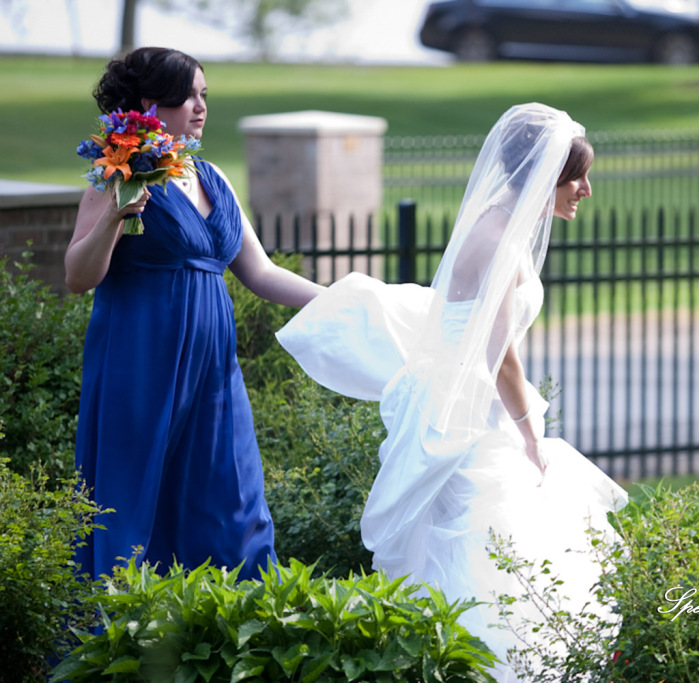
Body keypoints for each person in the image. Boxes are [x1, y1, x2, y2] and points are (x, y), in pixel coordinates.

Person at [277, 103, 628, 680]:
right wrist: (530, 434)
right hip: (466, 417)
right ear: (543, 173)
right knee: (487, 541)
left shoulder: (496, 224)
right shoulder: (498, 241)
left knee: (491, 544)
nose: (585, 189)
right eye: (576, 177)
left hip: (460, 403)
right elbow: (502, 360)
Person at [66, 47, 326, 582]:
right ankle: (122, 639)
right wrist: (115, 216)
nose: (201, 107)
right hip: (139, 359)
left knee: (231, 495)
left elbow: (262, 273)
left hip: (212, 370)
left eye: (204, 95)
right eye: (188, 95)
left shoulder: (213, 178)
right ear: (148, 103)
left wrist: (349, 298)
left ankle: (240, 632)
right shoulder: (116, 171)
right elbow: (78, 275)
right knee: (132, 497)